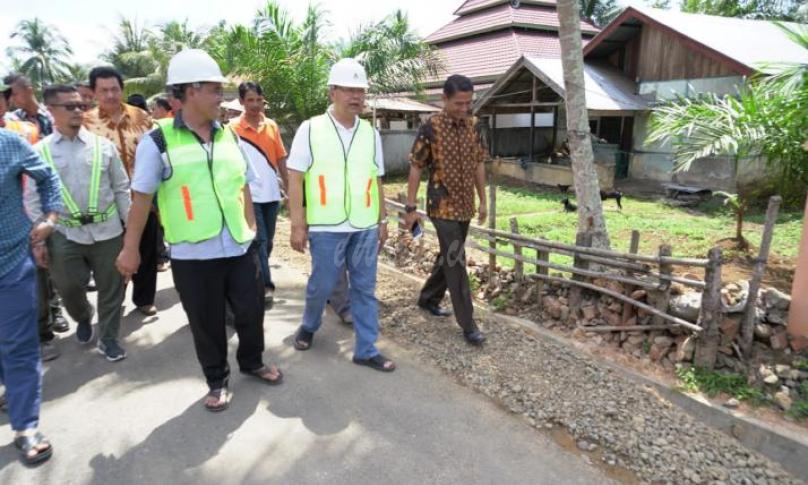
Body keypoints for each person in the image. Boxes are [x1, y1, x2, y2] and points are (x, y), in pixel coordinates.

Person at [116, 49, 283, 412]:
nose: (220, 98)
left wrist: (252, 229)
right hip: (194, 254)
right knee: (206, 323)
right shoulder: (157, 141)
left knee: (251, 311)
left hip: (240, 247)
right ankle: (216, 381)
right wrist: (131, 249)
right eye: (213, 89)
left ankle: (252, 362)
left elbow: (244, 186)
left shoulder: (230, 137)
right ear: (190, 92)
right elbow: (141, 199)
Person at [287, 58, 395, 372]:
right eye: (349, 89)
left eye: (360, 91)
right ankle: (309, 323)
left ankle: (366, 348)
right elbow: (296, 176)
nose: (356, 97)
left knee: (364, 288)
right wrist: (298, 223)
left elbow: (377, 179)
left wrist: (383, 219)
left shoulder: (370, 133)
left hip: (363, 224)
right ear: (332, 91)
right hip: (325, 225)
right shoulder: (311, 129)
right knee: (322, 284)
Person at [26, 84, 131, 361]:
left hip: (108, 230)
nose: (77, 110)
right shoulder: (39, 152)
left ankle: (109, 339)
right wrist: (39, 238)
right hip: (64, 232)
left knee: (112, 288)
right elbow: (32, 197)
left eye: (81, 105)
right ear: (51, 111)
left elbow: (121, 188)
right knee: (69, 288)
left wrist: (130, 230)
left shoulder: (103, 146)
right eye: (69, 106)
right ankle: (83, 316)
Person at [404, 74, 488, 346]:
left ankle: (428, 298)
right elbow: (416, 165)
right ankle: (468, 323)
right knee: (456, 260)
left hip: (465, 205)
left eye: (468, 104)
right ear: (444, 98)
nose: (464, 109)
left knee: (449, 255)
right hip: (441, 205)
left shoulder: (473, 126)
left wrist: (483, 199)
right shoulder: (431, 127)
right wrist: (410, 206)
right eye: (459, 103)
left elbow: (478, 163)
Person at [0, 125, 61, 466]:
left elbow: (47, 177)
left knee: (19, 345)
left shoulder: (9, 143)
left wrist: (50, 217)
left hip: (9, 262)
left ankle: (25, 427)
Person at [1, 81, 69, 362]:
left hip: (30, 214)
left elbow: (45, 174)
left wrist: (49, 215)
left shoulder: (28, 128)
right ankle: (41, 332)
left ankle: (50, 317)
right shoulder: (17, 125)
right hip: (22, 211)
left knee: (43, 273)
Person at [83, 66, 158, 316]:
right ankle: (115, 298)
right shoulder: (85, 124)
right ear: (94, 92)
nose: (110, 95)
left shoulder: (142, 118)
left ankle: (144, 299)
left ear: (122, 90)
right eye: (103, 90)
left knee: (146, 250)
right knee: (113, 257)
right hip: (108, 204)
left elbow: (159, 154)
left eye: (115, 89)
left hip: (143, 199)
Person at [228, 82, 288, 305]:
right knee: (260, 239)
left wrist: (290, 188)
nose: (254, 105)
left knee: (268, 240)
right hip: (248, 195)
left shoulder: (271, 125)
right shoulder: (232, 129)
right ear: (242, 102)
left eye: (258, 100)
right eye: (249, 100)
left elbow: (281, 157)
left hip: (272, 194)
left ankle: (256, 271)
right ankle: (265, 285)